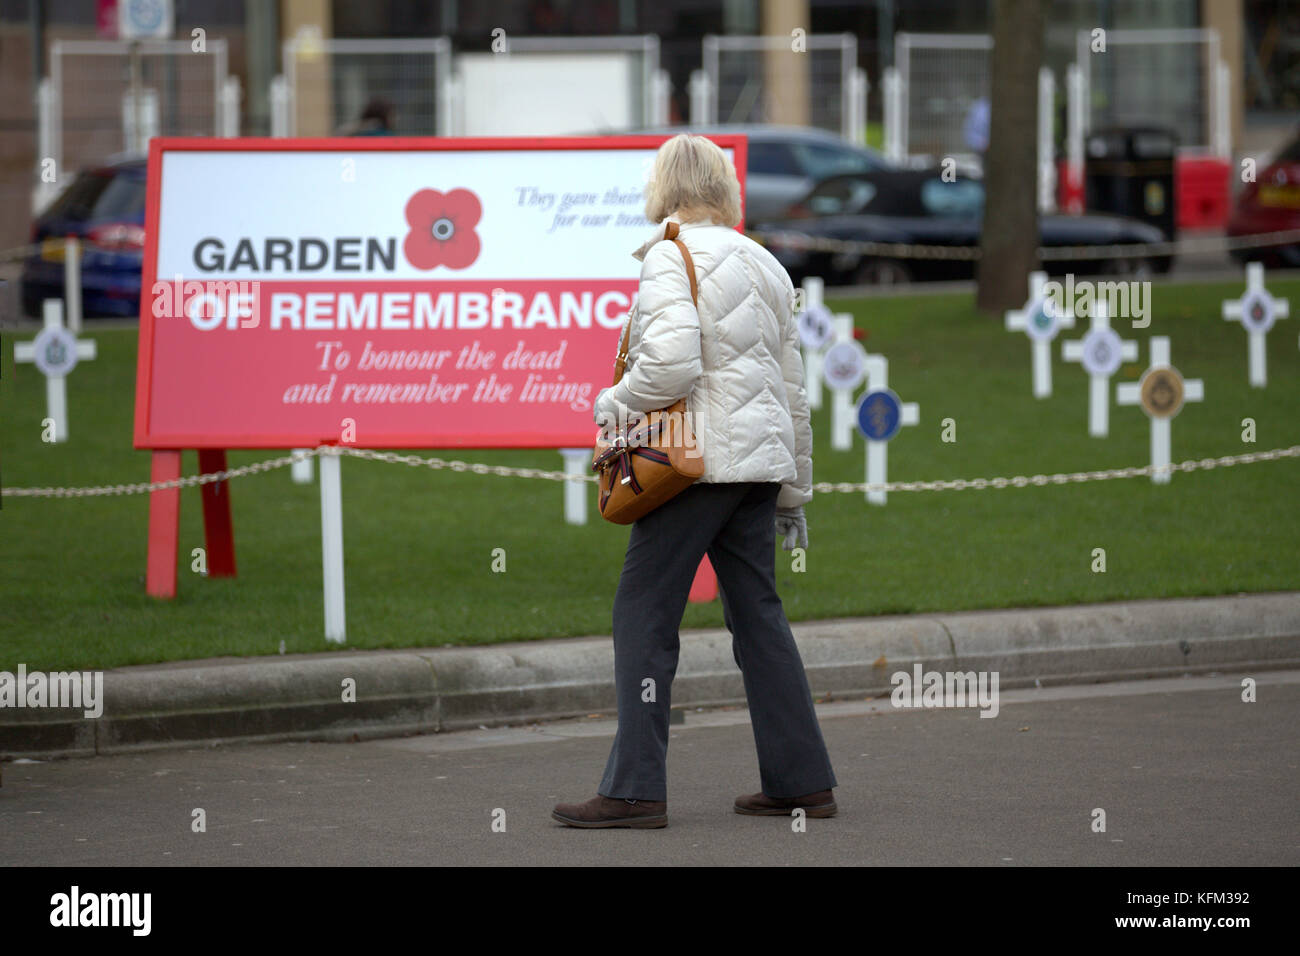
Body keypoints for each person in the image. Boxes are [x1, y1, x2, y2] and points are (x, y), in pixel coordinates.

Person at [552, 134, 838, 829]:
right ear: (724, 186)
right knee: (759, 618)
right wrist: (794, 492)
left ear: (664, 188)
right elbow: (791, 391)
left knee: (644, 617)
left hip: (693, 464)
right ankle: (802, 781)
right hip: (757, 470)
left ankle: (634, 791)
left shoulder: (668, 257)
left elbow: (671, 367)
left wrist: (611, 405)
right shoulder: (764, 261)